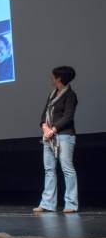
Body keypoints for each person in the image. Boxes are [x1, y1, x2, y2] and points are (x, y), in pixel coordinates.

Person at [33, 66, 78, 213]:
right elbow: (44, 113)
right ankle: (47, 203)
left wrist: (52, 130)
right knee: (49, 170)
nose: (51, 78)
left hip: (64, 136)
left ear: (59, 78)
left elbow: (68, 117)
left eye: (53, 76)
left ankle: (71, 203)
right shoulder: (52, 94)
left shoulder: (70, 95)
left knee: (67, 169)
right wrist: (45, 127)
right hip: (49, 137)